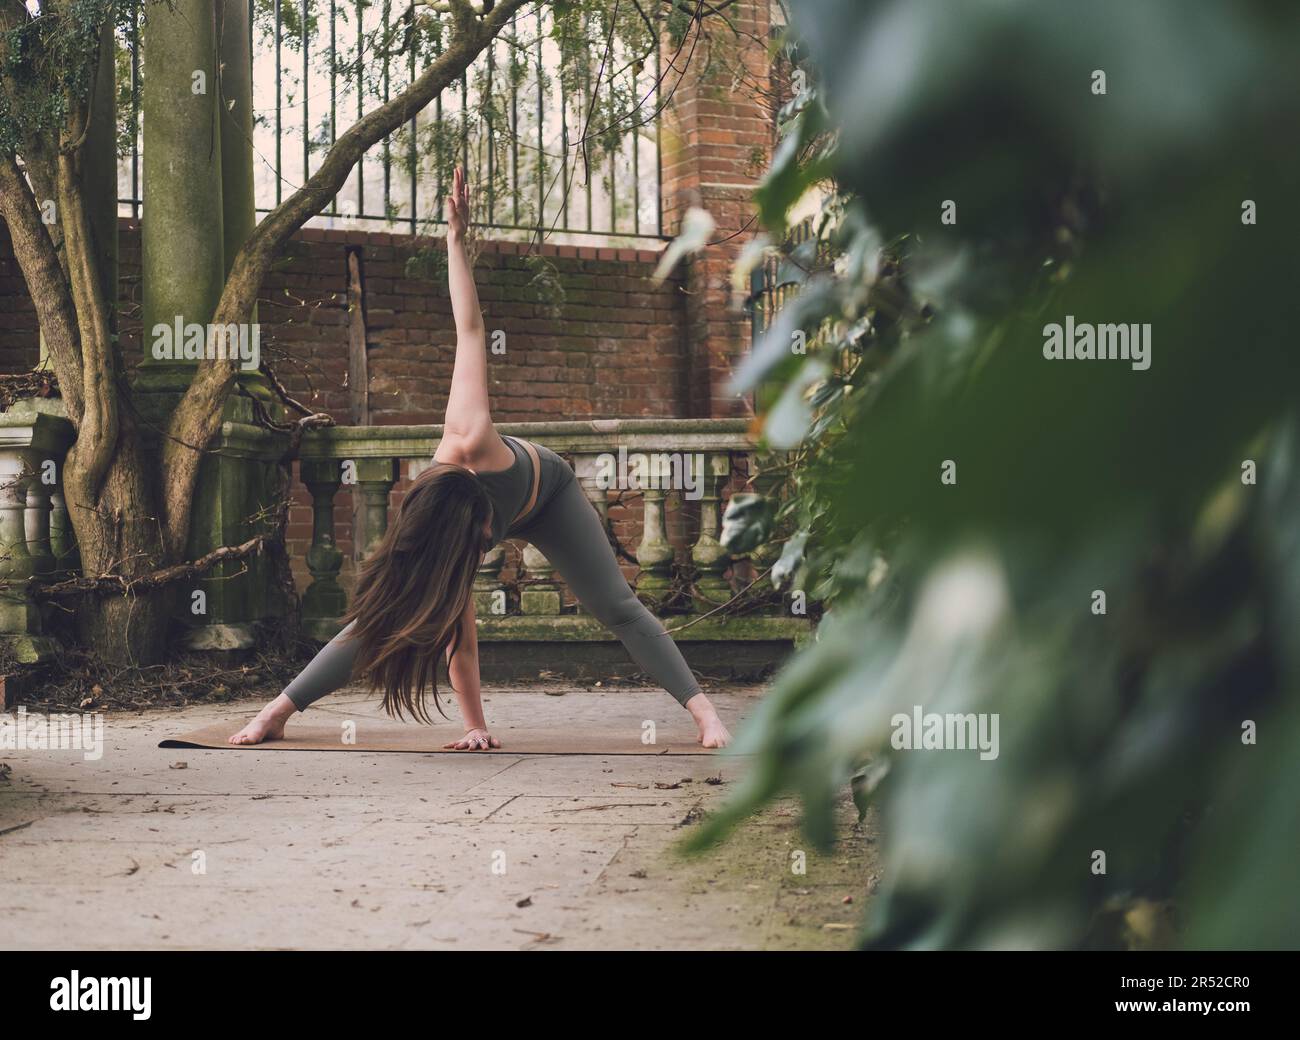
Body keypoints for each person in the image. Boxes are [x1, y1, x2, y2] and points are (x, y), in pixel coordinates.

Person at [230, 167, 732, 750]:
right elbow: (460, 640)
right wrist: (476, 728)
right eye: (485, 537)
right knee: (386, 613)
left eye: (488, 531)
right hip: (458, 522)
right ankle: (277, 711)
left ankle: (705, 713)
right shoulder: (435, 533)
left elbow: (470, 331)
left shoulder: (467, 435)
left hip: (550, 493)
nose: (495, 538)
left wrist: (455, 242)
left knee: (616, 604)